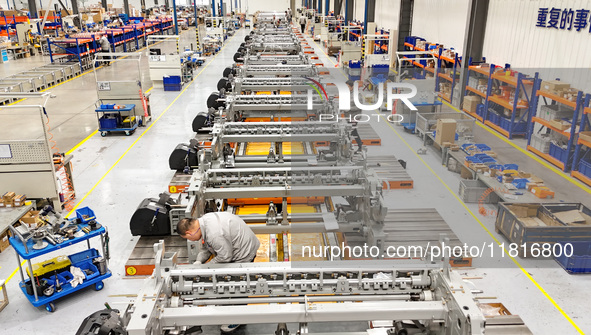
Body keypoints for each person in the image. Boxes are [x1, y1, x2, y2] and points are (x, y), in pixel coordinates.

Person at [177, 212, 260, 333]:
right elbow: (207, 247)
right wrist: (199, 261)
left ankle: (237, 318)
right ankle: (227, 306)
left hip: (244, 253)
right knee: (226, 280)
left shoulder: (214, 234)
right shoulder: (203, 222)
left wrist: (206, 269)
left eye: (188, 239)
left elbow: (225, 257)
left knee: (238, 285)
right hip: (234, 246)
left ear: (189, 233)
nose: (190, 240)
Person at [345, 80, 363, 152]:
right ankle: (353, 145)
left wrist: (349, 108)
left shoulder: (357, 95)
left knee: (353, 131)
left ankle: (359, 145)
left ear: (352, 86)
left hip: (354, 116)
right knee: (351, 131)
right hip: (349, 115)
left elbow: (359, 106)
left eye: (348, 86)